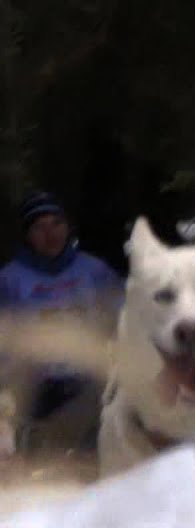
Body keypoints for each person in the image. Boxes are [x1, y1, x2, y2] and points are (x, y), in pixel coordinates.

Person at [0, 191, 125, 456]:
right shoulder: (9, 280)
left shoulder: (94, 271)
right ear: (27, 235)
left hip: (92, 383)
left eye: (56, 223)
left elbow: (125, 320)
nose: (50, 233)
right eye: (39, 227)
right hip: (34, 390)